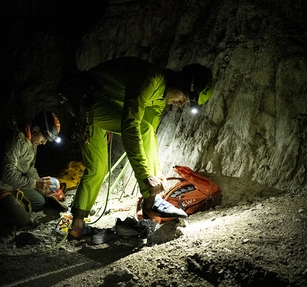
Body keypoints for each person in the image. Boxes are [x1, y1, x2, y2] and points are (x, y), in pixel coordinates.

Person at [57, 57, 213, 239]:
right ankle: (152, 202)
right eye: (184, 98)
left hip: (92, 101)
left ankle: (77, 226)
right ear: (181, 82)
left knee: (97, 167)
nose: (181, 104)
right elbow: (132, 127)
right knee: (140, 128)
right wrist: (146, 177)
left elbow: (150, 137)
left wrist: (158, 173)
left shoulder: (159, 99)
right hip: (84, 96)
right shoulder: (151, 79)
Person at [0, 111, 62, 228]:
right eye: (44, 138)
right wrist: (35, 184)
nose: (44, 143)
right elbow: (7, 174)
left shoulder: (32, 141)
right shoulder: (15, 140)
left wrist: (43, 187)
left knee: (40, 201)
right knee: (24, 221)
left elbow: (29, 168)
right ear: (36, 129)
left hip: (13, 184)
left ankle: (13, 203)